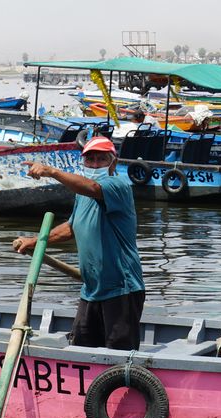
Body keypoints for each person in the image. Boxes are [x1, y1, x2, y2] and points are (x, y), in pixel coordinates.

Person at [12, 137, 145, 350]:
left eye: (101, 159)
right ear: (83, 163)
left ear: (113, 163)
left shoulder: (117, 185)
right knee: (82, 349)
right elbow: (71, 228)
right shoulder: (81, 194)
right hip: (91, 289)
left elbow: (93, 187)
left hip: (122, 289)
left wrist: (52, 172)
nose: (94, 164)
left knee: (119, 359)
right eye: (90, 160)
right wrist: (36, 242)